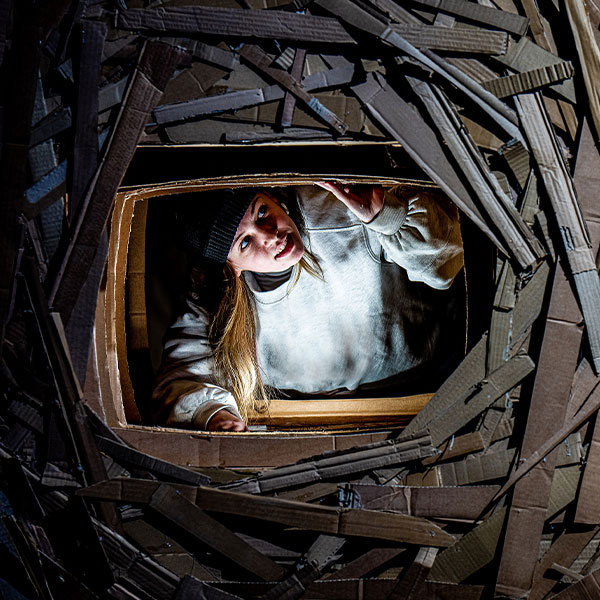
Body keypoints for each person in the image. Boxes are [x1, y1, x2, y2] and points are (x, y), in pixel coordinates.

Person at [151, 183, 465, 432]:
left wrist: (387, 215)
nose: (271, 235)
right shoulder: (217, 301)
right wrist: (213, 414)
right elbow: (183, 376)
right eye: (245, 243)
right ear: (231, 267)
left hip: (436, 379)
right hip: (329, 418)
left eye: (262, 212)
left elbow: (446, 264)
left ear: (271, 197)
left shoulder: (337, 205)